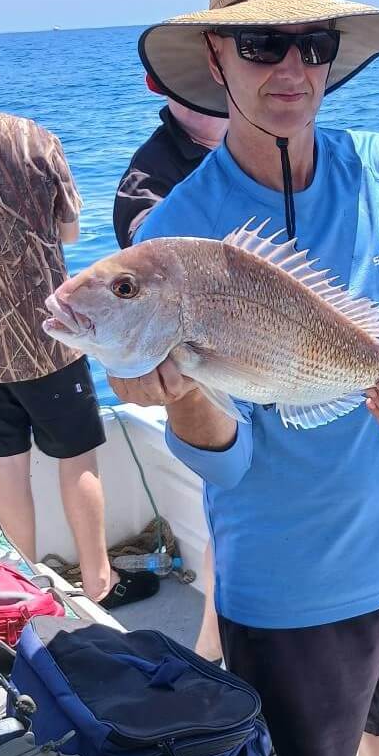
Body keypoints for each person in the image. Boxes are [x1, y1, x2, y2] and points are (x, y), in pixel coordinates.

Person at [111, 0, 379, 756]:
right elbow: (231, 463)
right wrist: (183, 393)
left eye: (313, 43)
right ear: (216, 55)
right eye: (261, 43)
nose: (291, 68)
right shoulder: (175, 235)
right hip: (289, 590)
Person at [0, 27, 157, 610]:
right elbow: (71, 233)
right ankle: (99, 584)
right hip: (51, 340)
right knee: (78, 461)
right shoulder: (33, 138)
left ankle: (25, 596)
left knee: (7, 468)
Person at [113, 85, 228, 657]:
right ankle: (211, 649)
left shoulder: (262, 143)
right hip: (213, 377)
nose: (210, 94)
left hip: (269, 357)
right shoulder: (148, 177)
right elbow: (140, 267)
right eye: (190, 83)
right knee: (231, 510)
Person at [112, 78, 228, 248]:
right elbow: (146, 244)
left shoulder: (264, 139)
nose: (200, 94)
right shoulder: (149, 168)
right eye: (185, 84)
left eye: (213, 81)